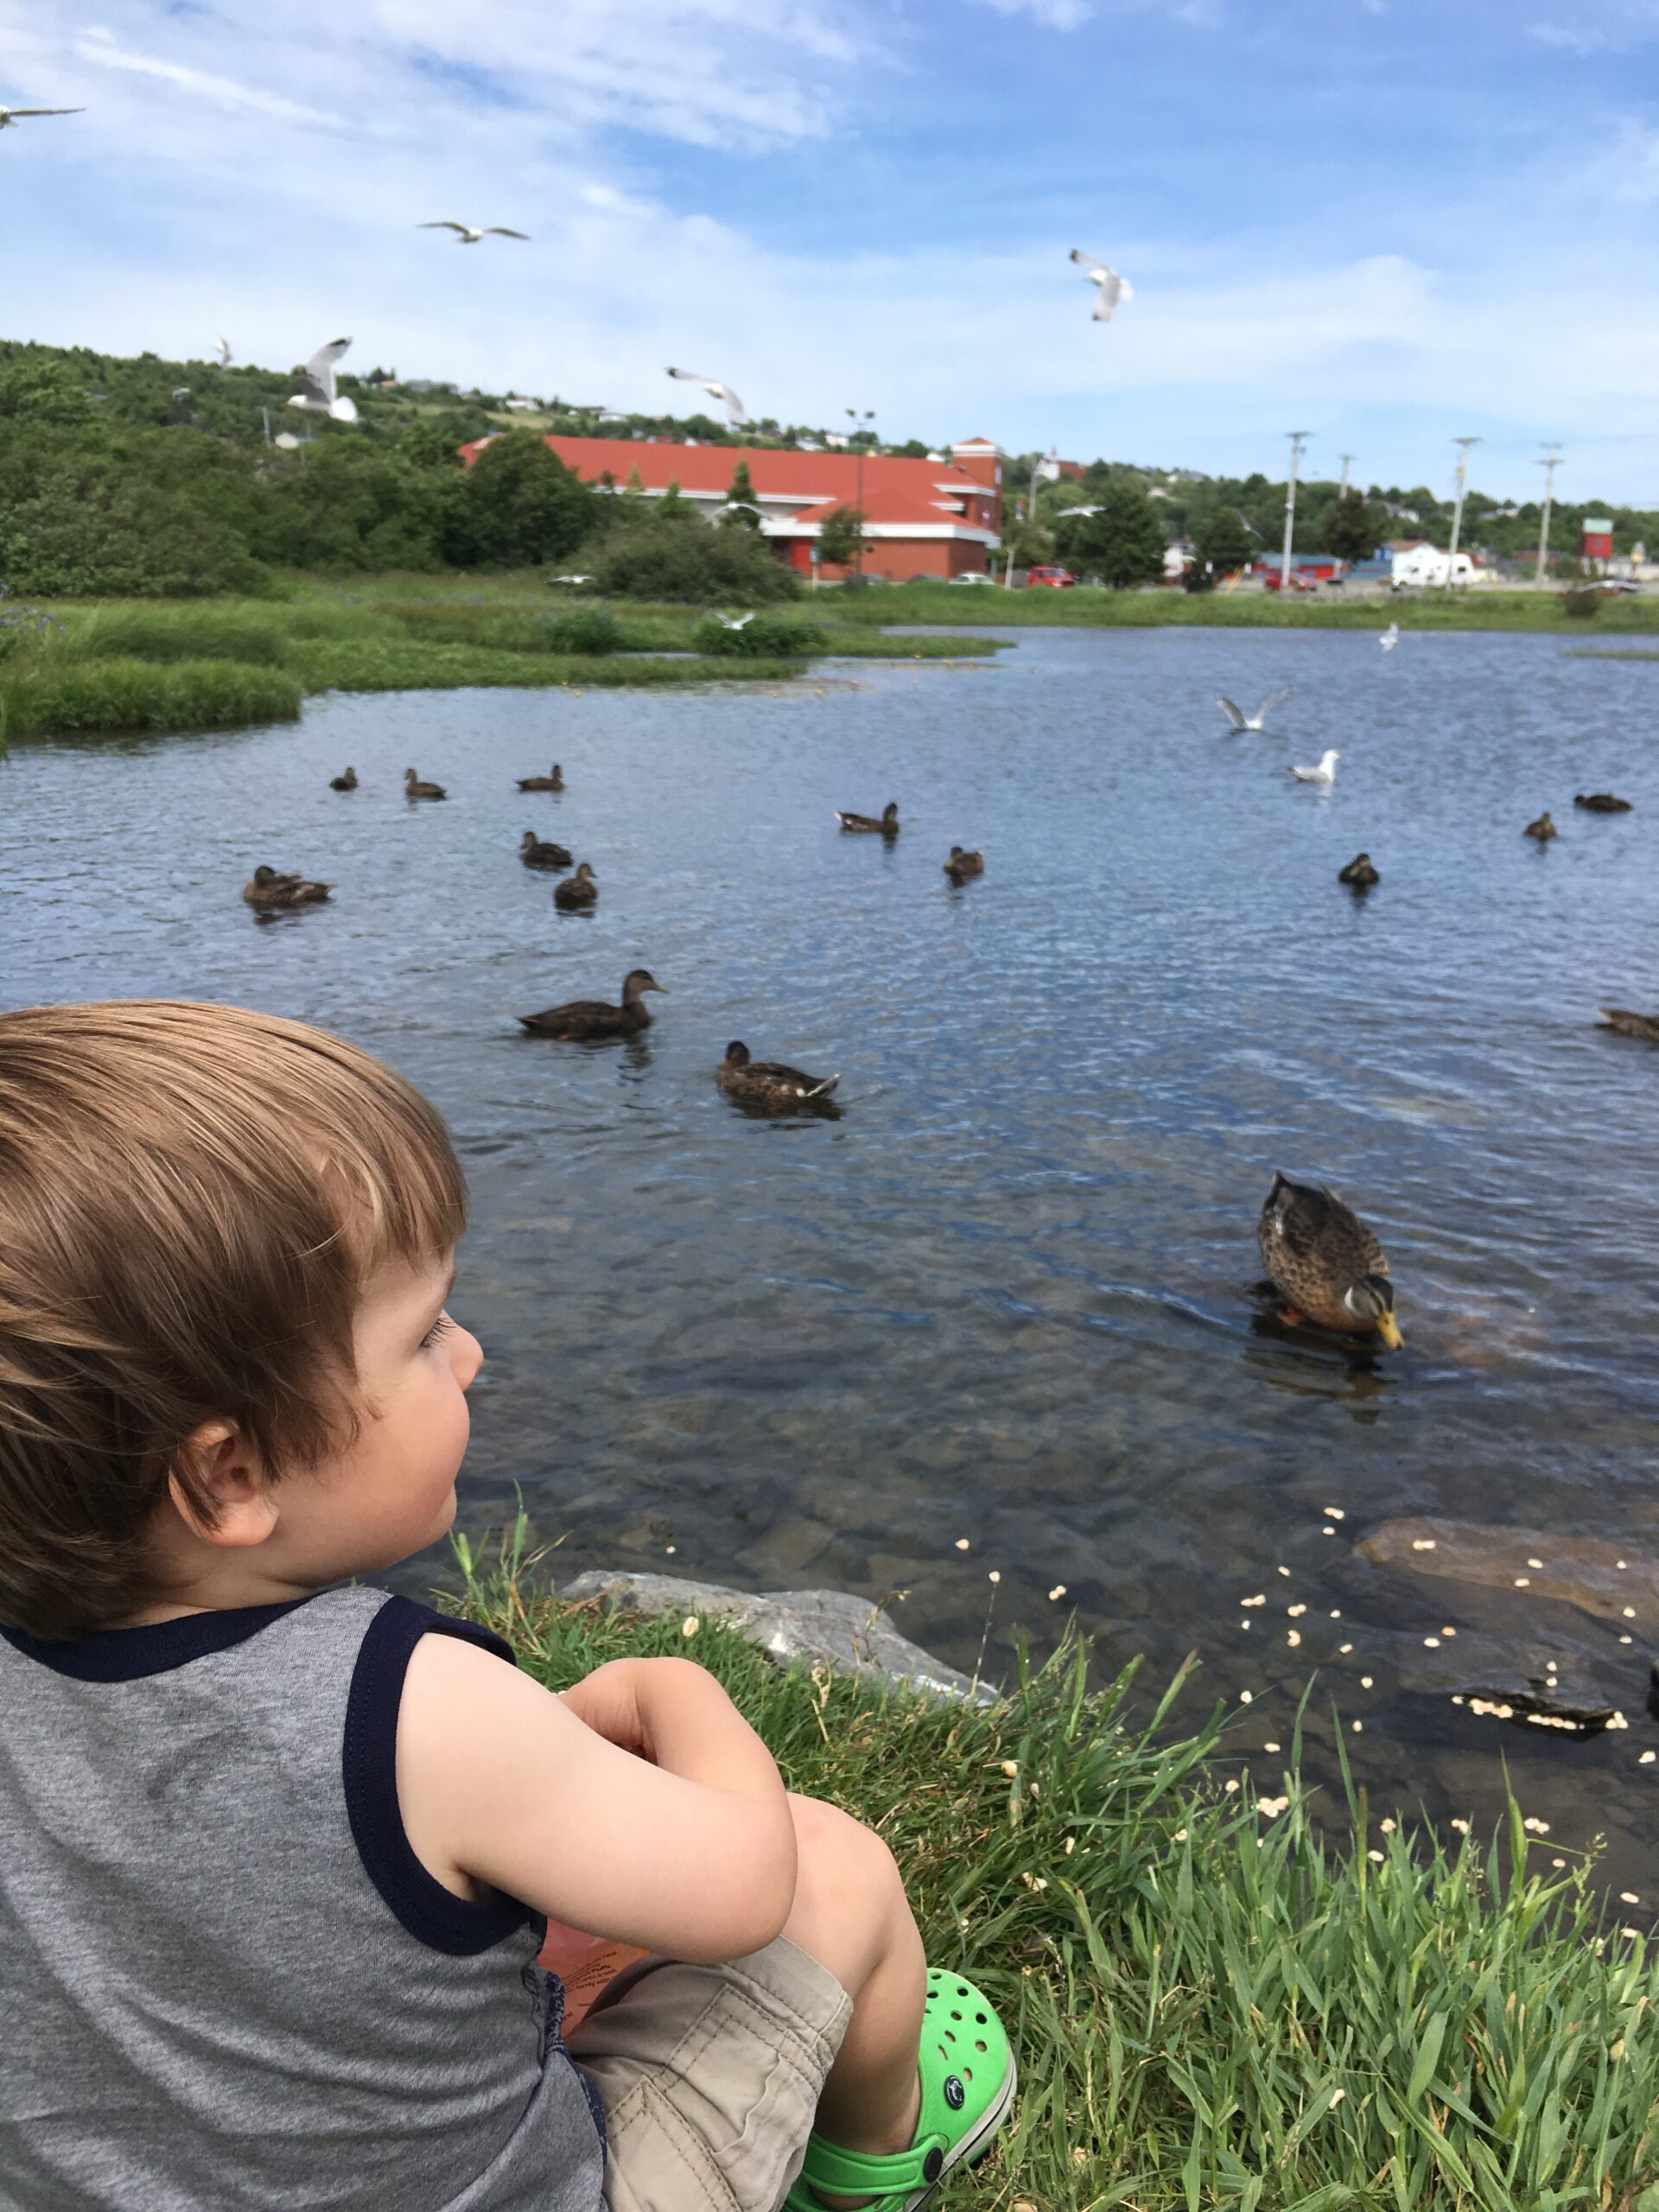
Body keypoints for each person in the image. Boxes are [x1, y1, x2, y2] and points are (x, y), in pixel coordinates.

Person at [0, 1000, 1014, 2212]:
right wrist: (673, 1687)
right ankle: (876, 2158)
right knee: (835, 1870)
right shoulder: (420, 1711)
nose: (472, 1354)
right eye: (426, 1333)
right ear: (232, 1475)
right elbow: (746, 1887)